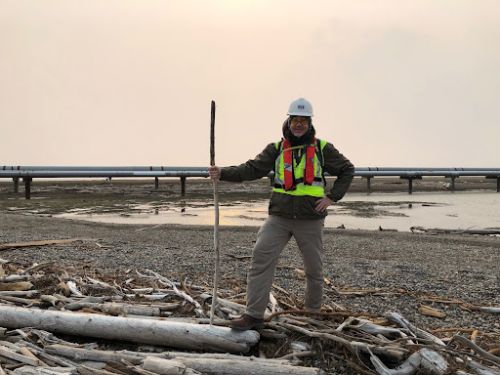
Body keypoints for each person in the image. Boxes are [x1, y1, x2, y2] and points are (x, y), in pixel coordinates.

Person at [208, 98, 354, 330]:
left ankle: (312, 316)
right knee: (260, 260)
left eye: (303, 121)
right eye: (295, 120)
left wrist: (332, 197)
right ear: (288, 121)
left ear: (309, 123)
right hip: (279, 218)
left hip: (310, 219)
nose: (298, 124)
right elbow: (251, 169)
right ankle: (254, 316)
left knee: (314, 270)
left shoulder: (323, 148)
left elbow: (347, 169)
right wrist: (223, 173)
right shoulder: (275, 149)